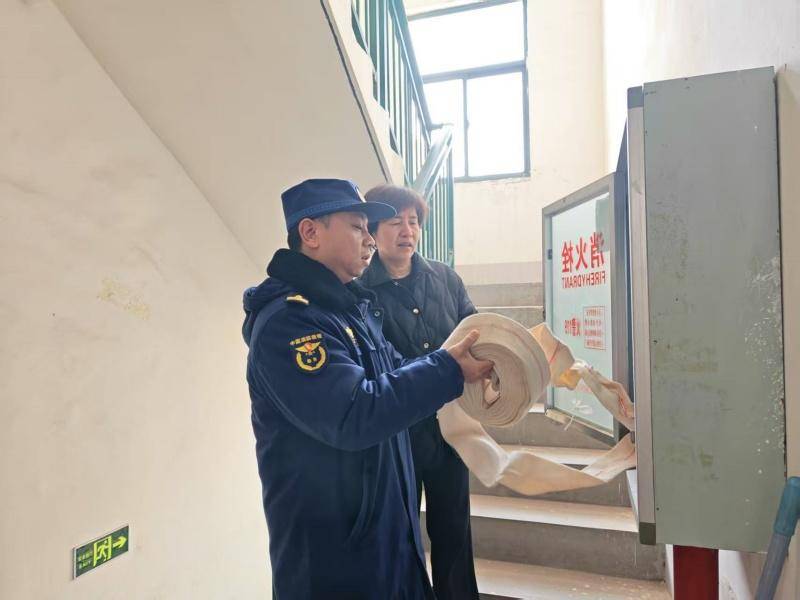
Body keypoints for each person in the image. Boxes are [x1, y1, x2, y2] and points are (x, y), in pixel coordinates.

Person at [241, 178, 492, 599]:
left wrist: (457, 368)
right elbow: (353, 413)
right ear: (310, 233)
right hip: (335, 552)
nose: (370, 240)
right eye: (358, 227)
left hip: (384, 534)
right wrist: (445, 369)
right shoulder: (291, 323)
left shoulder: (349, 310)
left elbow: (397, 370)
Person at [359, 184, 480, 600]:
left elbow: (476, 333)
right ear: (372, 230)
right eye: (395, 222)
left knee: (454, 533)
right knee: (400, 535)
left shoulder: (446, 279)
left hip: (450, 429)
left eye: (413, 222)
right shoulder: (360, 291)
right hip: (397, 434)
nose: (407, 230)